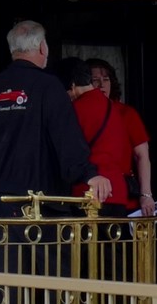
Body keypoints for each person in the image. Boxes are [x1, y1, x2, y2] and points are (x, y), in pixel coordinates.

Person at [0, 21, 110, 218]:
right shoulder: (50, 87)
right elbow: (66, 138)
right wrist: (89, 174)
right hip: (40, 208)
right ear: (43, 47)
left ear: (13, 49)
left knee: (1, 250)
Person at [57, 58, 134, 217]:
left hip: (87, 193)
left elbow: (67, 150)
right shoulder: (113, 108)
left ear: (72, 85)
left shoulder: (74, 109)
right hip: (117, 192)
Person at [87, 58, 155, 216]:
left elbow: (142, 155)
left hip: (124, 196)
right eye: (95, 80)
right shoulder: (80, 110)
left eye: (106, 79)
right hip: (89, 194)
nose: (101, 84)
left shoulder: (127, 113)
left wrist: (146, 195)